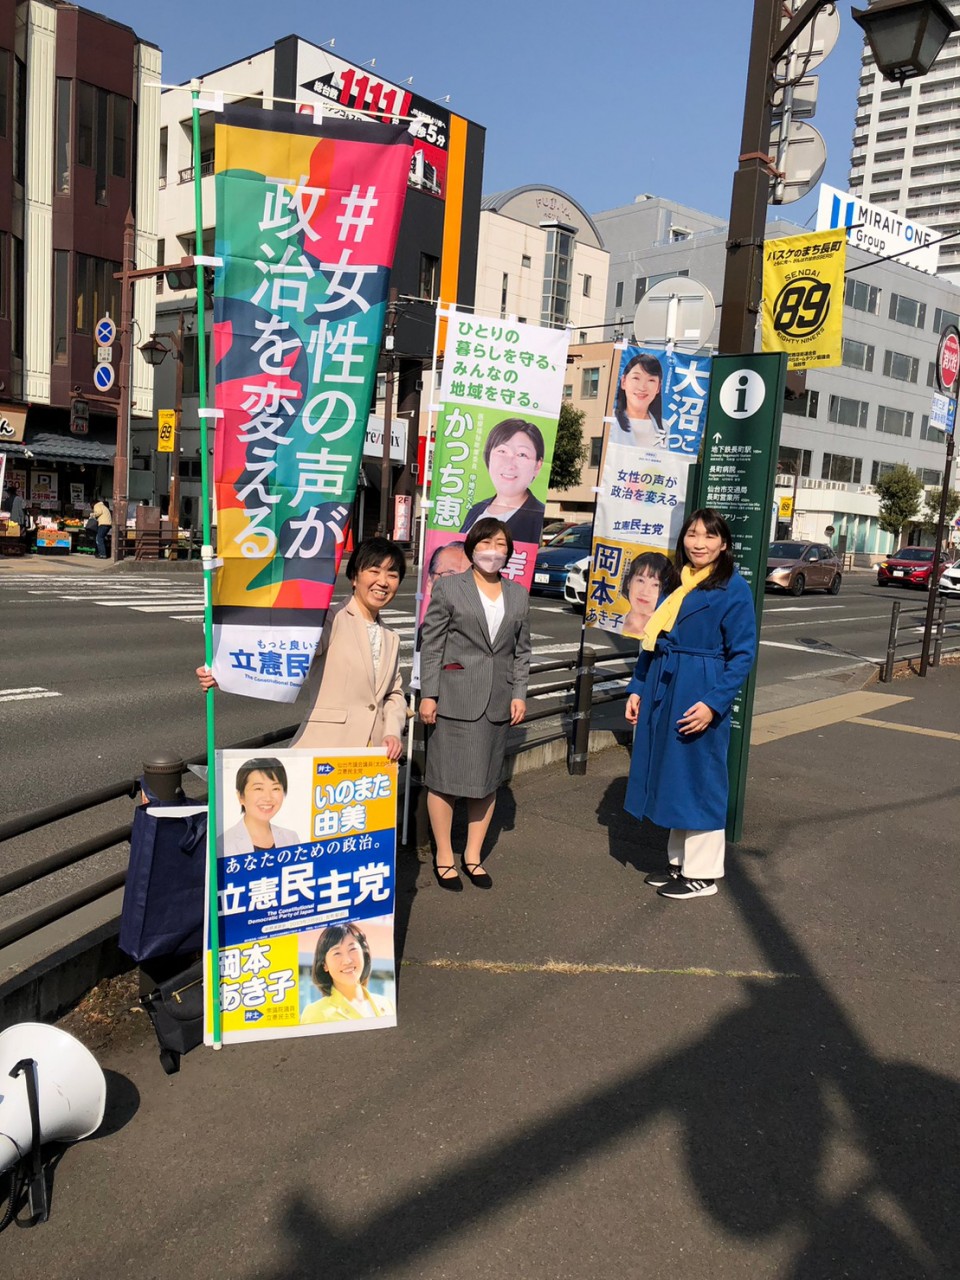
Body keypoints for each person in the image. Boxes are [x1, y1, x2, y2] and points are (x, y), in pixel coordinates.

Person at [623, 508, 757, 901]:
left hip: (700, 686)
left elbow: (743, 655)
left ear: (724, 544)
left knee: (700, 778)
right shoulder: (677, 582)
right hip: (667, 680)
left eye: (709, 537)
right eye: (692, 535)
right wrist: (638, 687)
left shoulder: (733, 587)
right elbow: (653, 639)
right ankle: (680, 862)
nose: (699, 543)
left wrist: (713, 704)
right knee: (673, 773)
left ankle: (704, 874)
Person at [198, 537, 407, 761]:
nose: (383, 582)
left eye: (392, 575)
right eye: (374, 571)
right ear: (355, 577)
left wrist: (392, 732)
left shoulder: (390, 636)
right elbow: (287, 651)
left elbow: (394, 693)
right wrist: (228, 670)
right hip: (327, 748)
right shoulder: (330, 619)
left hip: (373, 756)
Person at [419, 517, 531, 890]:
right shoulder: (451, 588)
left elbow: (521, 651)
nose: (493, 551)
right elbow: (432, 643)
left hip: (497, 699)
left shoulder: (518, 594)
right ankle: (444, 856)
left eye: (501, 545)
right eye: (486, 543)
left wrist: (519, 693)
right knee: (444, 779)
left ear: (508, 552)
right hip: (454, 696)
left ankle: (472, 855)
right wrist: (429, 694)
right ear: (472, 547)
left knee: (485, 782)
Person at [459, 418, 546, 545]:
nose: (510, 463)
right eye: (502, 451)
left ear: (538, 465)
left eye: (522, 454)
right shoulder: (476, 509)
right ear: (488, 458)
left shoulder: (537, 516)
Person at [300, 922, 394, 1024]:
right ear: (324, 965)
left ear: (364, 953)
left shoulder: (386, 1004)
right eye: (337, 953)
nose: (347, 961)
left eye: (352, 949)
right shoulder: (316, 1013)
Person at [222, 757, 300, 856]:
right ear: (241, 796)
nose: (268, 797)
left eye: (275, 788)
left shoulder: (291, 838)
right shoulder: (223, 844)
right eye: (258, 788)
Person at [621, 551, 680, 639]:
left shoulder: (669, 634)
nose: (645, 592)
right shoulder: (608, 623)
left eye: (656, 585)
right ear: (629, 582)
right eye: (640, 581)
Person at [612, 353, 665, 448]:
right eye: (636, 378)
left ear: (658, 387)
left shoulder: (665, 429)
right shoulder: (611, 422)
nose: (642, 387)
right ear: (623, 381)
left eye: (651, 380)